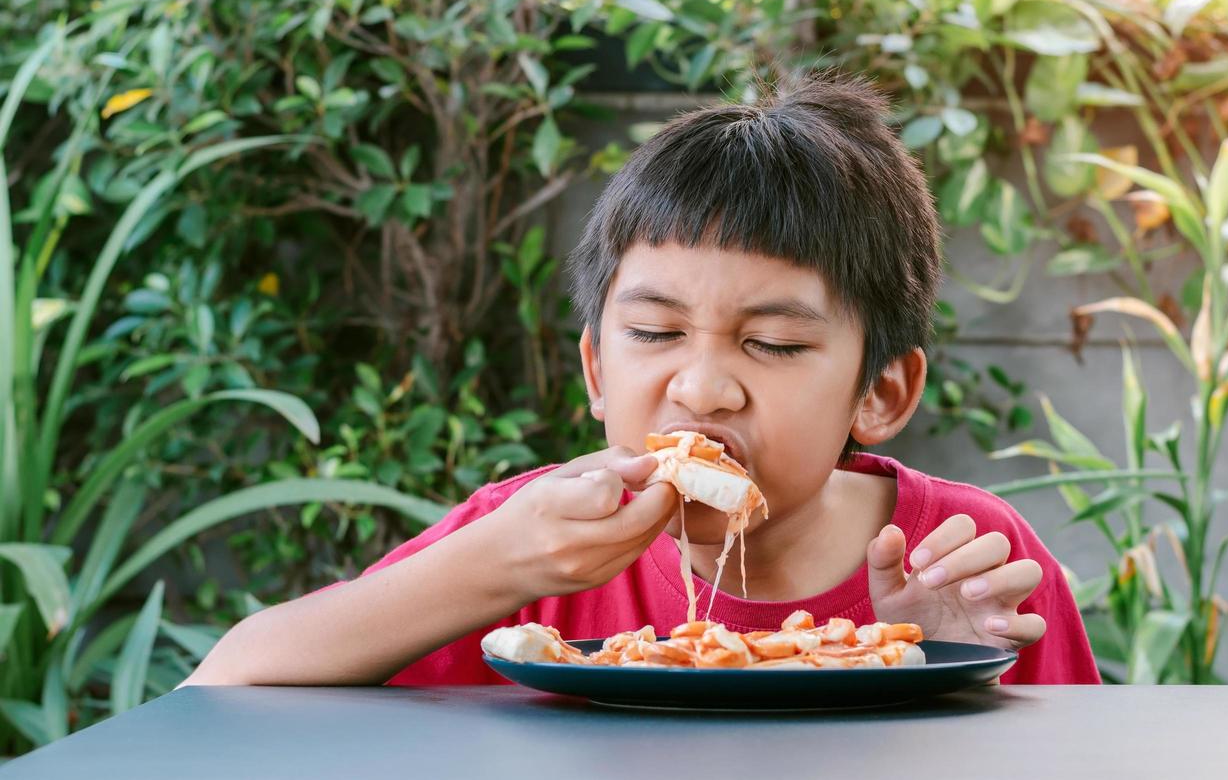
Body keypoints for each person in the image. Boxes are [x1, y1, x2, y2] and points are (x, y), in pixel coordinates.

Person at [185, 75, 1100, 687]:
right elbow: (223, 691)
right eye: (656, 332)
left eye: (775, 344)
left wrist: (941, 670)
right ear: (593, 367)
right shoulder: (524, 546)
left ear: (882, 393)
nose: (702, 389)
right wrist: (493, 566)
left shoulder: (965, 559)